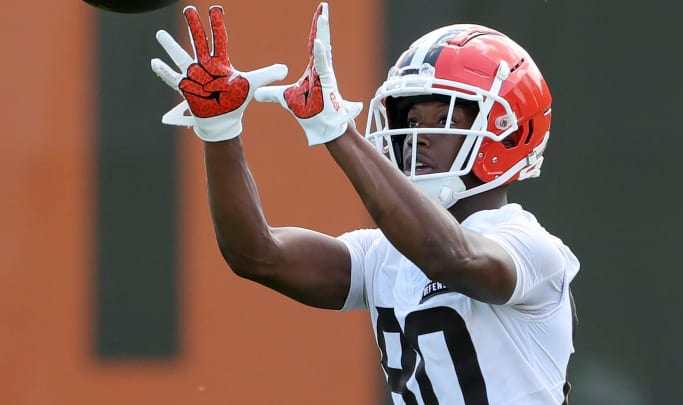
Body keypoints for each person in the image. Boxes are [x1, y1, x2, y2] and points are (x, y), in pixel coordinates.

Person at [151, 3, 580, 404]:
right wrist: (220, 132)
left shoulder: (532, 249)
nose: (419, 136)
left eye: (444, 118)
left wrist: (339, 131)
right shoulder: (383, 255)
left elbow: (451, 256)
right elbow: (257, 254)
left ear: (508, 131)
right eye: (412, 120)